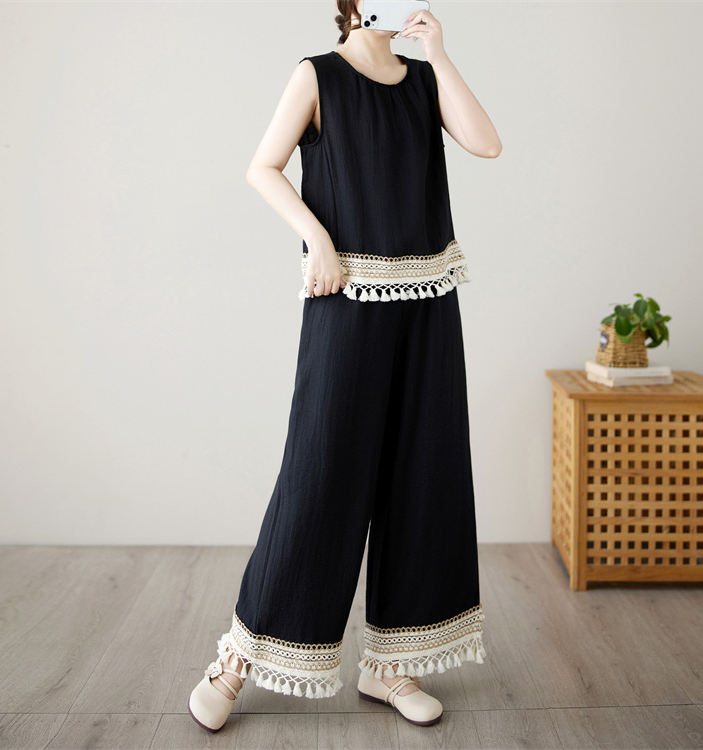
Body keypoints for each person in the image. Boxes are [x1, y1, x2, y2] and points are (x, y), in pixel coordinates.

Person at [188, 0, 502, 733]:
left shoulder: (423, 81)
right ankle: (239, 657)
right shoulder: (318, 75)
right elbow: (263, 168)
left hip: (428, 299)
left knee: (422, 473)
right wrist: (317, 241)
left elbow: (486, 144)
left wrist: (441, 54)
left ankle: (391, 663)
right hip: (346, 297)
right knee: (321, 473)